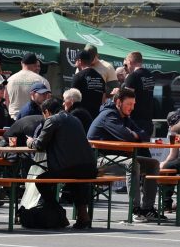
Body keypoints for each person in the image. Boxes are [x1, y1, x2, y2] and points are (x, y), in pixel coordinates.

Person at [87, 87, 162, 222]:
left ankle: (147, 209)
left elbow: (145, 135)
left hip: (116, 159)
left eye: (133, 104)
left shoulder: (125, 117)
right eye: (129, 104)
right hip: (97, 162)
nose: (132, 108)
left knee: (153, 164)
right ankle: (135, 209)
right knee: (132, 164)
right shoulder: (108, 116)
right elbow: (127, 137)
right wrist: (133, 135)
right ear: (118, 102)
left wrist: (134, 134)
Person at [27, 98, 97, 229]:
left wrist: (30, 142)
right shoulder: (75, 119)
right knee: (75, 181)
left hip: (67, 167)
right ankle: (83, 217)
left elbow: (39, 144)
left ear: (47, 112)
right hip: (89, 167)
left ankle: (59, 213)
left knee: (41, 181)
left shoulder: (52, 120)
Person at [6, 52, 50, 119]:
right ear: (35, 64)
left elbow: (6, 101)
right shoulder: (42, 80)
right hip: (34, 119)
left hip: (14, 118)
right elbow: (48, 102)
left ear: (21, 63)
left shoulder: (9, 80)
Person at [123, 51, 156, 135]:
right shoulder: (150, 75)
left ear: (129, 62)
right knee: (145, 143)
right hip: (148, 120)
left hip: (135, 121)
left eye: (126, 64)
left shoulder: (132, 76)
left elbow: (126, 99)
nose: (126, 66)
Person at [72, 49, 106, 118]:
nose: (75, 64)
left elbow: (72, 98)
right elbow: (103, 99)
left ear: (79, 61)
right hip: (96, 117)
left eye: (75, 61)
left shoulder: (78, 76)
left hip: (80, 117)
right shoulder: (100, 77)